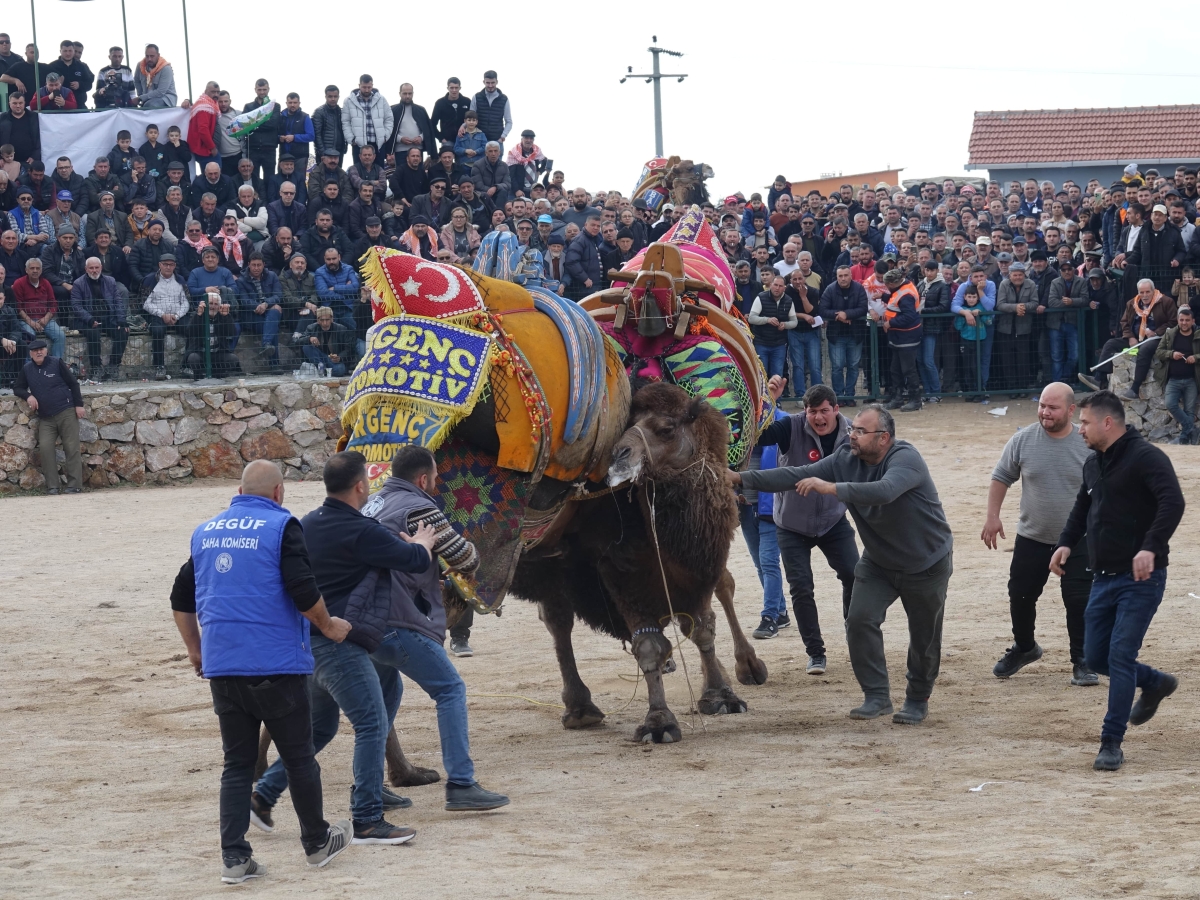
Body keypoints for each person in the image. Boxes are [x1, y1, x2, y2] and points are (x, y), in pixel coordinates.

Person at [169, 460, 355, 883]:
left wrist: (196, 650)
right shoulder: (282, 527)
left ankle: (235, 858)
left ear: (238, 491)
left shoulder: (206, 533)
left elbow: (181, 596)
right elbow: (302, 588)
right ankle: (316, 842)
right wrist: (328, 625)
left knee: (236, 764)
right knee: (299, 757)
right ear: (278, 493)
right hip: (276, 665)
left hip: (223, 668)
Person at [251, 451, 436, 844]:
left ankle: (262, 795)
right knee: (370, 724)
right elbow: (413, 560)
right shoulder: (362, 531)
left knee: (321, 727)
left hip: (308, 645)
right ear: (361, 486)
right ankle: (367, 817)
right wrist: (423, 541)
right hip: (340, 644)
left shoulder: (304, 525)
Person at [730, 404, 953, 725]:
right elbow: (795, 474)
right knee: (860, 621)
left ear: (884, 438)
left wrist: (832, 488)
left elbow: (885, 491)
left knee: (924, 638)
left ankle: (917, 698)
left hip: (926, 564)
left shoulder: (906, 459)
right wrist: (740, 477)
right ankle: (877, 695)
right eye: (853, 429)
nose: (853, 436)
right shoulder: (846, 458)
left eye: (861, 432)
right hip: (879, 562)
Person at [364, 445, 510, 811]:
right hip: (398, 618)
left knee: (383, 698)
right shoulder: (420, 509)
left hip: (364, 621)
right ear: (422, 478)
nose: (438, 481)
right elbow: (465, 557)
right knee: (450, 690)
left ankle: (367, 787)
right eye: (435, 475)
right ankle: (461, 784)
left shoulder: (373, 504)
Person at [1051, 391, 1185, 771]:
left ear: (1107, 423)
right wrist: (1064, 544)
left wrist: (1150, 547)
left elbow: (1172, 502)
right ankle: (1156, 682)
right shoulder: (1094, 464)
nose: (1080, 430)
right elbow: (1083, 506)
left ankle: (1111, 741)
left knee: (1121, 656)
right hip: (1103, 577)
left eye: (1086, 423)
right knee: (1096, 657)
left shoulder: (1147, 458)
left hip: (1142, 577)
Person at [982, 383, 1097, 686]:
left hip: (1078, 540)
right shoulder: (1022, 440)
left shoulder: (1088, 444)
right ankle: (1025, 647)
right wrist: (993, 516)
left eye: (1053, 407)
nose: (1045, 412)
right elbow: (1001, 477)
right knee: (1020, 596)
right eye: (1042, 405)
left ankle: (1083, 661)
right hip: (1032, 536)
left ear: (1071, 410)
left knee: (1077, 600)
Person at [751, 381, 858, 673]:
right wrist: (767, 404)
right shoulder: (791, 427)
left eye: (825, 411)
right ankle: (816, 653)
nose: (819, 418)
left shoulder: (852, 434)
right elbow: (757, 438)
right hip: (791, 524)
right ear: (804, 411)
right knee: (801, 587)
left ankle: (856, 635)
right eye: (813, 412)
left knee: (855, 575)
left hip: (833, 520)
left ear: (837, 409)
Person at [13, 336, 84, 492]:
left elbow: (73, 383)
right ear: (30, 353)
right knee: (45, 448)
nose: (38, 352)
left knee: (71, 448)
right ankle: (53, 486)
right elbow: (17, 388)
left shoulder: (56, 363)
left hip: (66, 411)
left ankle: (74, 485)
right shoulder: (27, 369)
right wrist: (28, 396)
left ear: (46, 350)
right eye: (35, 350)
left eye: (41, 349)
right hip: (46, 417)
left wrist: (79, 405)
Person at [70, 256, 128, 380]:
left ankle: (113, 365)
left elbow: (118, 301)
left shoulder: (110, 281)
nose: (94, 270)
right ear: (86, 269)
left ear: (101, 268)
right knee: (93, 333)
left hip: (108, 318)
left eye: (97, 267)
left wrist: (121, 320)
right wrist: (90, 319)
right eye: (91, 268)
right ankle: (96, 367)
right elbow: (76, 306)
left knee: (122, 332)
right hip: (86, 320)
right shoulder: (78, 283)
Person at [818, 265, 868, 403]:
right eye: (840, 276)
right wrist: (838, 315)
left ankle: (850, 395)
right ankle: (838, 396)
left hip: (855, 334)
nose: (843, 278)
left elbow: (863, 308)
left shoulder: (859, 288)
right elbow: (822, 309)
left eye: (846, 275)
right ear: (837, 276)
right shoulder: (830, 289)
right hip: (836, 335)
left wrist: (847, 314)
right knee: (837, 367)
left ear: (850, 276)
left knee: (853, 365)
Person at [1151, 305, 1200, 443]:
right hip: (1173, 379)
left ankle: (1184, 438)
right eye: (1181, 320)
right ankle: (1191, 429)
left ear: (1193, 321)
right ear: (1178, 320)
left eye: (1187, 320)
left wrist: (1195, 357)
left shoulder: (1198, 334)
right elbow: (1159, 352)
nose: (1184, 323)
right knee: (1170, 404)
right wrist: (1171, 354)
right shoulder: (1170, 334)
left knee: (1190, 411)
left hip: (1192, 380)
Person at [13, 256, 65, 357]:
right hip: (25, 320)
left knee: (60, 335)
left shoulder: (46, 283)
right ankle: (29, 367)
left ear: (41, 270)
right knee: (29, 336)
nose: (35, 271)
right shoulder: (19, 283)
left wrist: (46, 318)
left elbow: (53, 304)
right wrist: (30, 322)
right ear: (26, 270)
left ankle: (56, 363)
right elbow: (17, 306)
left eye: (37, 268)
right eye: (32, 268)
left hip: (45, 319)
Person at [302, 306, 352, 375]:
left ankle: (323, 371)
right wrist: (309, 339)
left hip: (333, 360)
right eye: (322, 320)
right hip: (319, 357)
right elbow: (297, 341)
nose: (325, 323)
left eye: (327, 320)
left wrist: (340, 357)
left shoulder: (341, 329)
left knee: (340, 369)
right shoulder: (311, 328)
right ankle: (322, 368)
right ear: (318, 320)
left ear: (332, 319)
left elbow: (349, 349)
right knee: (306, 347)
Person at [470, 70, 511, 149]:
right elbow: (471, 118)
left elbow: (509, 121)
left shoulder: (504, 99)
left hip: (497, 141)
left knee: (497, 162)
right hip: (478, 140)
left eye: (493, 82)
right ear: (483, 82)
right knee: (477, 162)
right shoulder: (476, 97)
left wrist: (502, 136)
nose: (490, 85)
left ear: (497, 82)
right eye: (488, 83)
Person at [133, 44, 176, 109]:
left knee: (149, 105)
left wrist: (141, 98)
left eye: (152, 56)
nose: (149, 59)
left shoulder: (166, 68)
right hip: (147, 99)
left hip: (165, 99)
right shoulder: (140, 65)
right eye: (147, 56)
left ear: (158, 55)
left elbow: (160, 92)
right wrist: (140, 95)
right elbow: (137, 81)